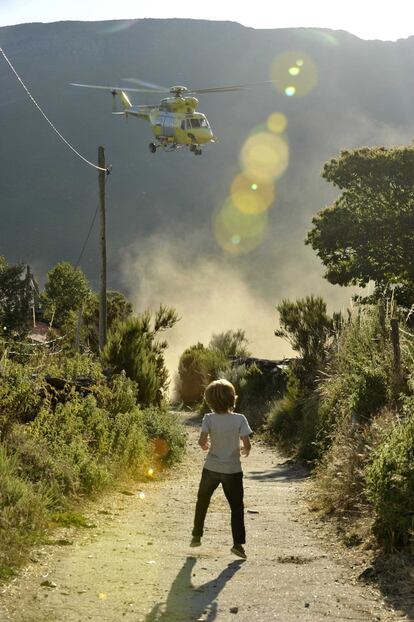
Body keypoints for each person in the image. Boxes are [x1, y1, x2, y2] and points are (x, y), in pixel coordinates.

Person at [190, 379, 253, 559]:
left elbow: (202, 442)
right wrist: (244, 449)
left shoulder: (208, 419)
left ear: (209, 400)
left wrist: (206, 445)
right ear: (232, 399)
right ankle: (238, 545)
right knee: (236, 507)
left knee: (203, 500)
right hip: (232, 470)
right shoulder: (240, 419)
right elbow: (246, 444)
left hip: (211, 467)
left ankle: (196, 535)